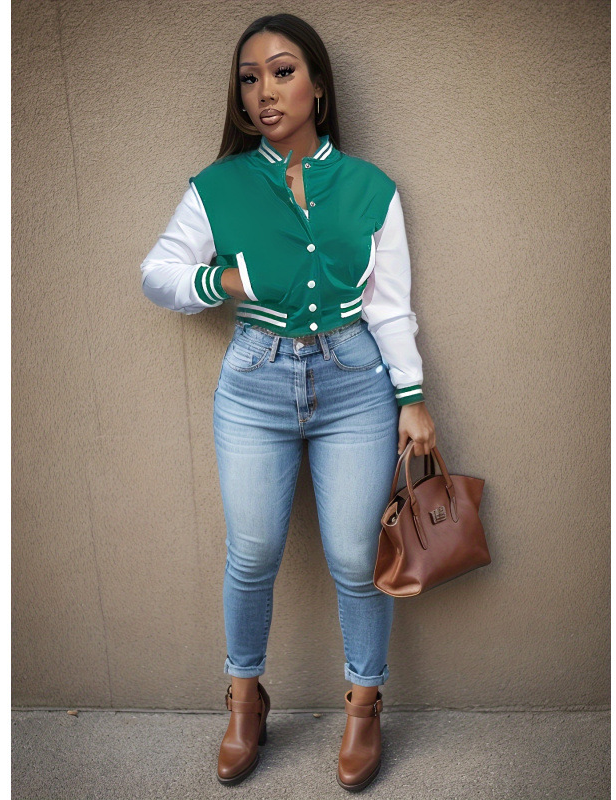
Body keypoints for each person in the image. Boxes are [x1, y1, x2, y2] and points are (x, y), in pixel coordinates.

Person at [140, 12, 436, 792]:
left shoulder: (371, 188)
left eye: (281, 72)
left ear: (318, 87)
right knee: (253, 551)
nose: (264, 91)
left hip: (354, 383)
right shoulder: (218, 186)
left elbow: (391, 305)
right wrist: (224, 280)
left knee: (355, 556)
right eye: (249, 78)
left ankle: (365, 704)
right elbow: (157, 273)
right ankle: (245, 701)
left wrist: (411, 396)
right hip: (255, 384)